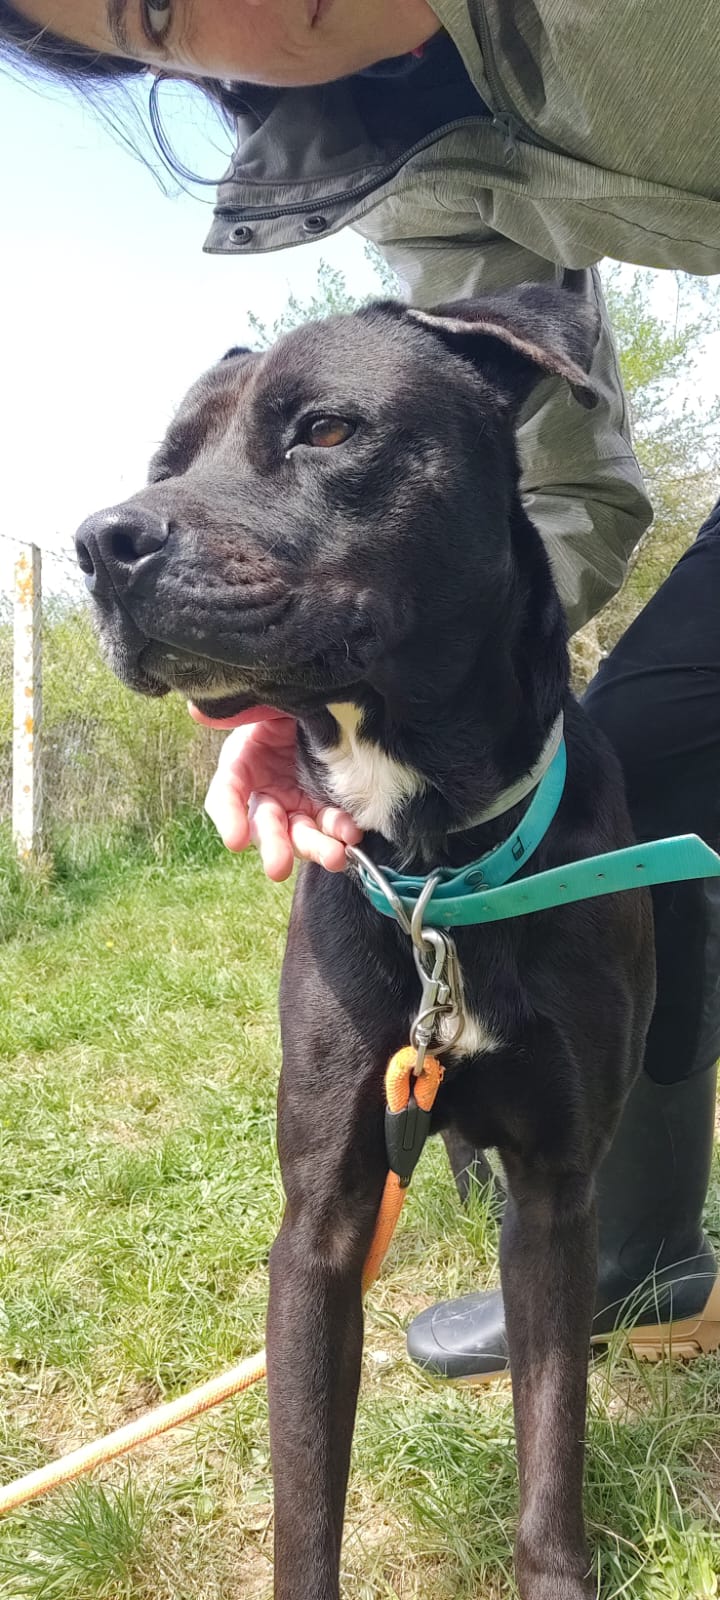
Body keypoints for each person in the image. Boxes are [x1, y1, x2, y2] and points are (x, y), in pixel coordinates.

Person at [3, 0, 719, 1379]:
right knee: (646, 756)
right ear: (175, 72)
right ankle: (632, 1255)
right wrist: (313, 667)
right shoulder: (425, 177)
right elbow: (560, 489)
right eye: (157, 11)